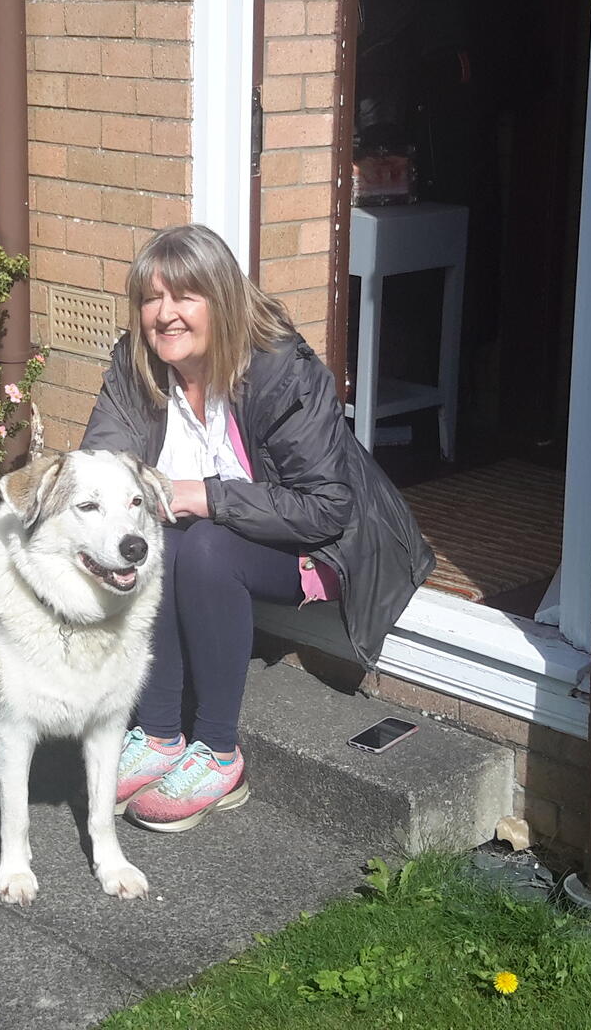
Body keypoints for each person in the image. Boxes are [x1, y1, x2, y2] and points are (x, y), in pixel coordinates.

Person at [80, 223, 435, 833]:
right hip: (207, 536)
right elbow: (103, 466)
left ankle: (218, 753)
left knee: (205, 546)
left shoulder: (280, 371)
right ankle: (161, 735)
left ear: (220, 299)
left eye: (184, 297)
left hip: (321, 543)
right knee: (157, 538)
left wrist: (205, 496)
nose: (164, 315)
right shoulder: (135, 361)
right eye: (150, 298)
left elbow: (326, 507)